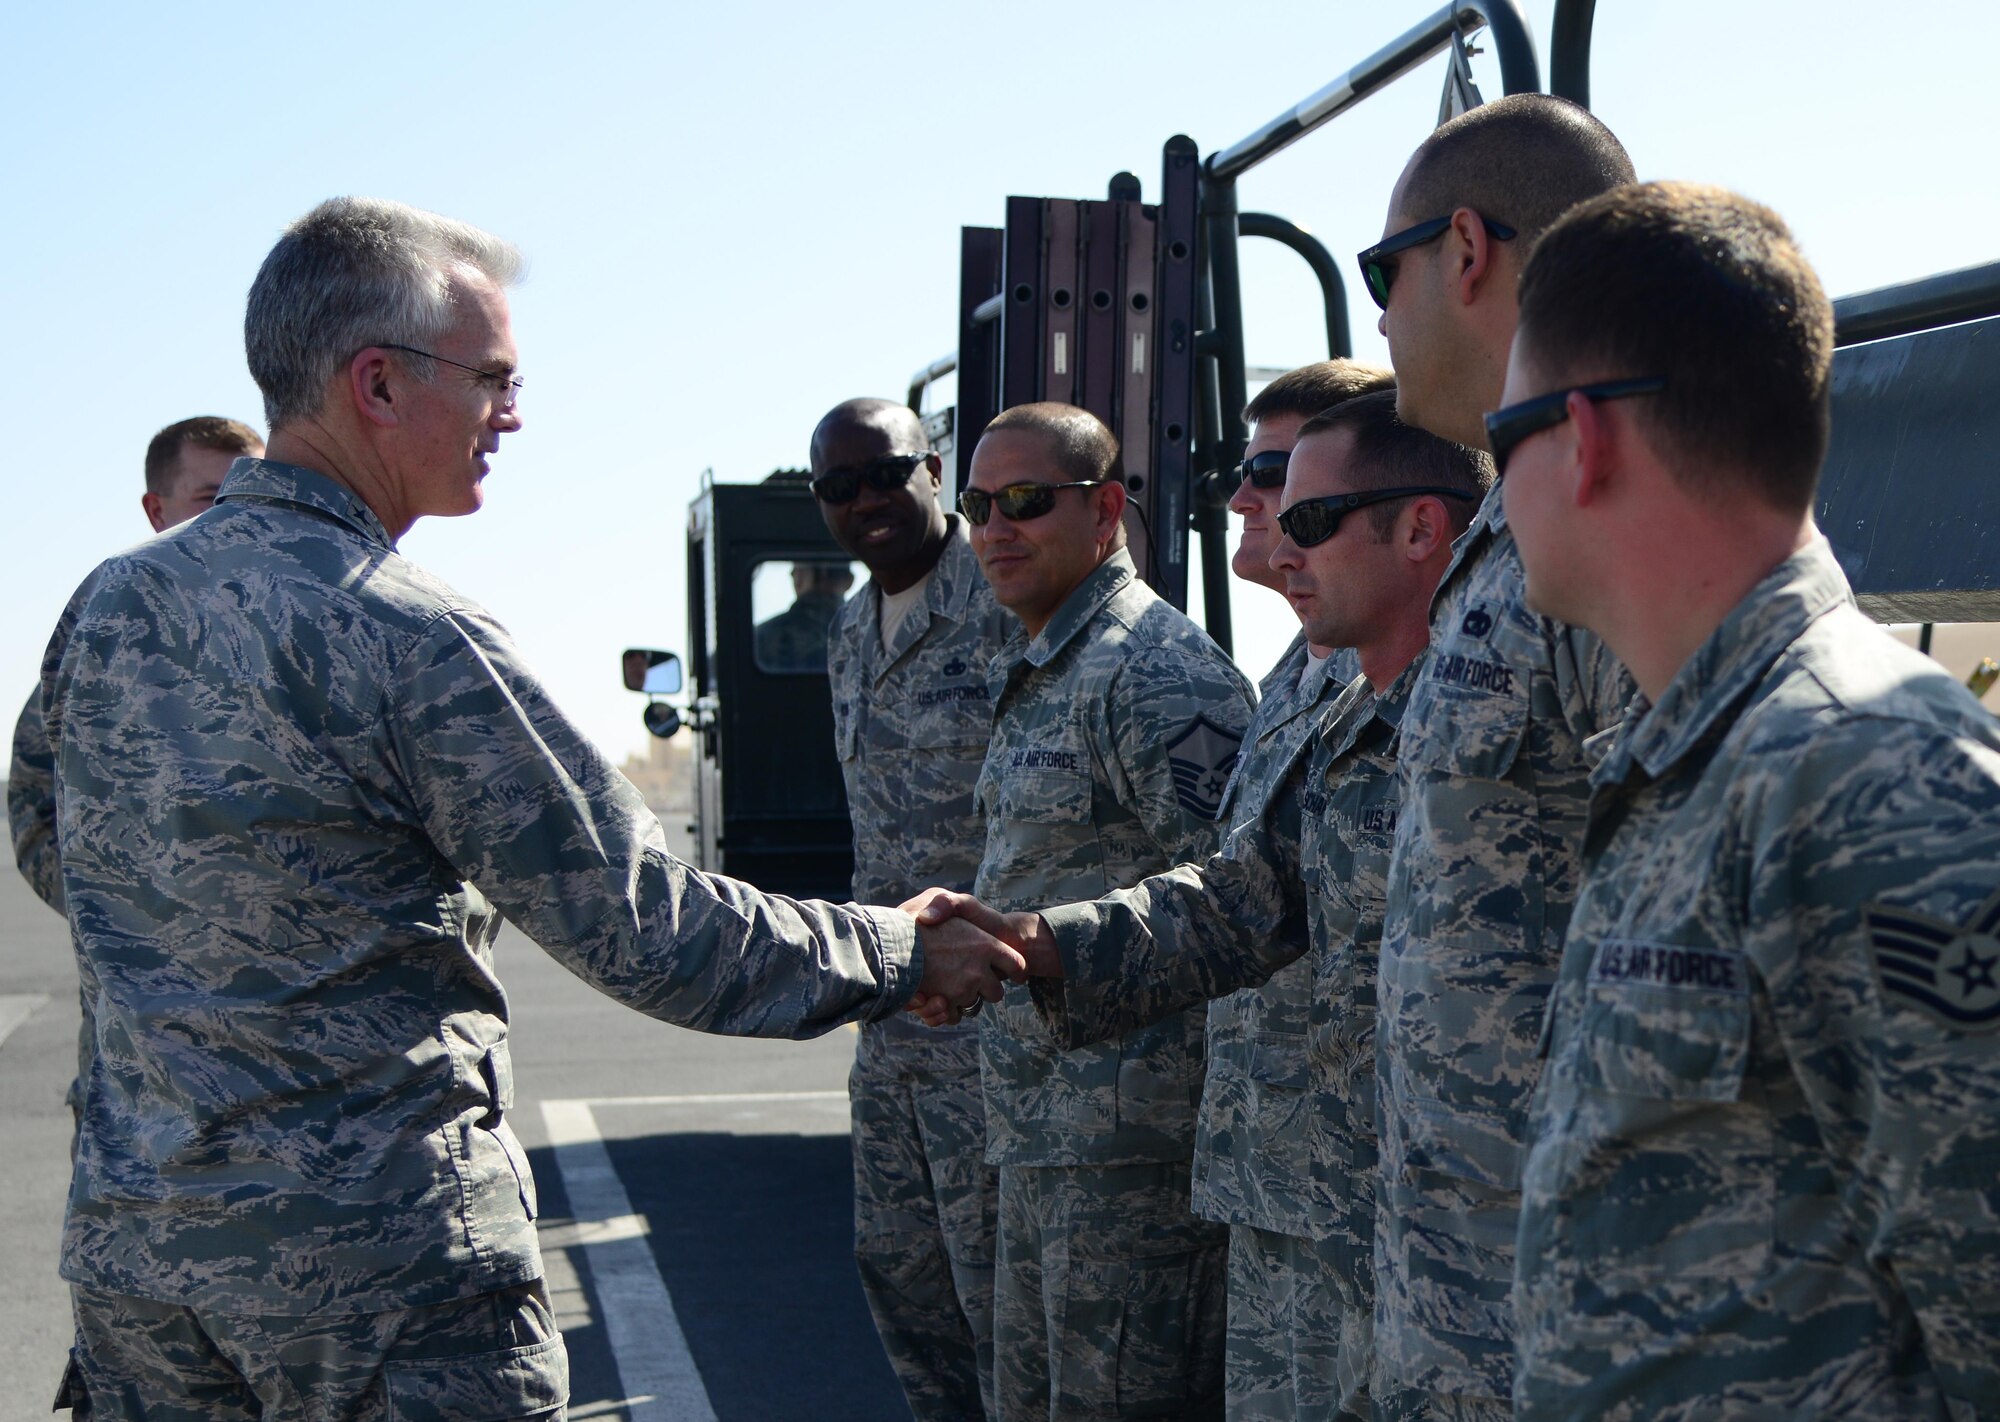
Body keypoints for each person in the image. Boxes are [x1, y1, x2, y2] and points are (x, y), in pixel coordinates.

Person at [35, 196, 1024, 1419]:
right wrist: (894, 948)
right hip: (374, 1282)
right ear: (378, 385)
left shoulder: (110, 603)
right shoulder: (409, 631)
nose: (512, 412)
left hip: (146, 1266)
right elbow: (640, 924)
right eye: (491, 378)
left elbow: (55, 840)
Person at [1498, 182, 2000, 1420]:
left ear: (1583, 439)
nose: (1488, 491)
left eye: (1494, 442)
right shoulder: (1698, 758)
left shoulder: (1863, 768)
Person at [917, 390, 1490, 1421]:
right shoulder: (1312, 687)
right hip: (1269, 1174)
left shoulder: (1484, 699)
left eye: (1294, 498)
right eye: (976, 505)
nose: (1248, 506)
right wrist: (1031, 946)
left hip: (1384, 1202)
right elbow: (1239, 898)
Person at [1358, 93, 1636, 1420]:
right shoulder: (1508, 532)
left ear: (1465, 250)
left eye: (1383, 271)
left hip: (1571, 1310)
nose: (1378, 315)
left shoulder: (1615, 527)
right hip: (1460, 1286)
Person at [954, 402, 1255, 1421]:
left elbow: (1240, 907)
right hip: (1046, 1134)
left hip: (1136, 1157)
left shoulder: (1156, 671)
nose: (996, 527)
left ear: (1106, 509)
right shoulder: (1051, 663)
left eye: (1027, 501)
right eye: (977, 504)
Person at [8, 412, 264, 1419]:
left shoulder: (297, 629)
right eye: (208, 501)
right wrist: (145, 909)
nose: (228, 524)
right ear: (156, 511)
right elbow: (34, 800)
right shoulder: (111, 631)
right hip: (146, 1109)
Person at [813, 397, 1016, 1419]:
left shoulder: (1003, 599)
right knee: (900, 1276)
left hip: (993, 1021)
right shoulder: (849, 634)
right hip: (891, 1021)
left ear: (932, 470)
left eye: (885, 475)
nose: (866, 503)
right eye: (838, 488)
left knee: (1000, 1300)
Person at [755, 559, 856, 673]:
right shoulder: (867, 632)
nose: (792, 574)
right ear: (849, 581)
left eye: (797, 568)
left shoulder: (762, 637)